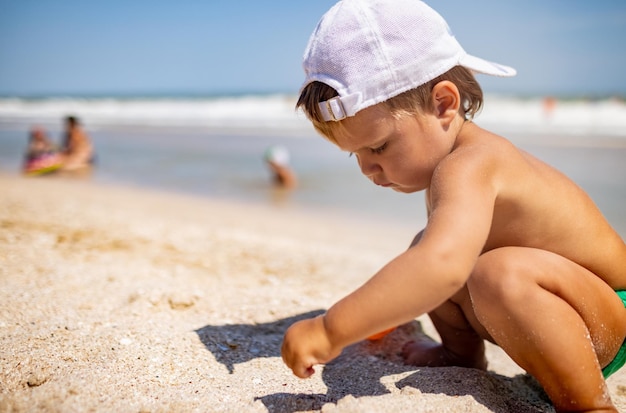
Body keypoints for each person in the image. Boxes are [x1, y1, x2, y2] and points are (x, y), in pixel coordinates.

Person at [280, 1, 626, 411]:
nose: (367, 168)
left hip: (604, 315)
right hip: (554, 312)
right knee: (428, 246)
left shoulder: (473, 163)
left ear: (443, 103)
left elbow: (441, 266)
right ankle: (464, 357)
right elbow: (435, 261)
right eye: (354, 154)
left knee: (476, 267)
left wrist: (330, 329)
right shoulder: (450, 165)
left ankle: (590, 405)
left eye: (378, 146)